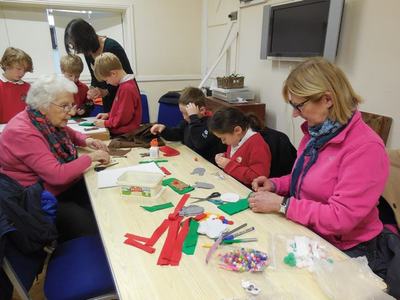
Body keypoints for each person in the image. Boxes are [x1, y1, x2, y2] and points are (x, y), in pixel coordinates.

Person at [249, 57, 399, 297]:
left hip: (351, 250)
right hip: (314, 235)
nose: (296, 114)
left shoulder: (366, 148)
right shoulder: (317, 133)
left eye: (299, 106)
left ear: (328, 99)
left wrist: (283, 205)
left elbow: (341, 218)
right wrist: (276, 184)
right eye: (293, 105)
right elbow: (305, 180)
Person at [0, 74, 110, 241]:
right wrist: (92, 157)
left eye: (72, 105)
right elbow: (57, 175)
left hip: (57, 188)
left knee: (105, 198)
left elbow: (68, 131)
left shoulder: (42, 118)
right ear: (43, 105)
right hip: (37, 199)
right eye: (65, 106)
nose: (71, 112)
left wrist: (87, 140)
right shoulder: (22, 131)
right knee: (92, 225)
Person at [64, 18, 139, 113]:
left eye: (76, 46)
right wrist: (92, 90)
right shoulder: (88, 52)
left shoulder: (112, 47)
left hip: (125, 98)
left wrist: (105, 92)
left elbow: (126, 78)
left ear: (84, 40)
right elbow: (95, 77)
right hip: (109, 102)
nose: (77, 51)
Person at [150, 87, 226, 165]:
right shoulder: (188, 121)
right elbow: (177, 133)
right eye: (182, 113)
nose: (184, 117)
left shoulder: (211, 124)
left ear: (202, 110)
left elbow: (199, 143)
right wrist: (163, 129)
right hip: (190, 160)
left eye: (187, 114)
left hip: (207, 165)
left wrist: (193, 118)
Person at [208, 107, 271, 186]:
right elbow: (237, 157)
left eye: (223, 138)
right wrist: (225, 156)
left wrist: (229, 165)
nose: (222, 142)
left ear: (237, 130)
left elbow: (258, 178)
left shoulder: (257, 145)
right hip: (233, 184)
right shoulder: (236, 138)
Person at [92, 52, 142, 136]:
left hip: (126, 134)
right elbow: (120, 110)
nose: (107, 83)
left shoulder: (127, 88)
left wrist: (105, 123)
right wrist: (108, 115)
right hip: (122, 132)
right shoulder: (123, 85)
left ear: (113, 74)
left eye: (106, 80)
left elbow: (124, 118)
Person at [0, 47, 33, 123]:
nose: (22, 73)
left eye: (24, 70)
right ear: (6, 65)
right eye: (18, 69)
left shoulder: (28, 87)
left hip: (24, 129)